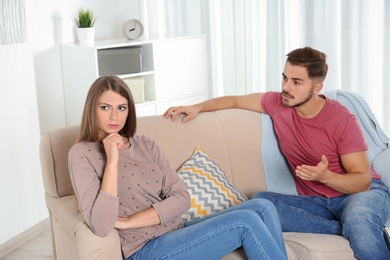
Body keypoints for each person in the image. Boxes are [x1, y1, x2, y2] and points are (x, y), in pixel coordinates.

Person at [163, 47, 390, 260]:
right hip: (317, 204)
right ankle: (356, 230)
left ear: (317, 87)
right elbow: (234, 100)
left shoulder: (341, 119)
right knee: (262, 203)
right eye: (285, 78)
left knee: (359, 220)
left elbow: (363, 181)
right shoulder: (277, 103)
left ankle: (359, 227)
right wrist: (198, 107)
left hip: (361, 195)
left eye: (296, 82)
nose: (286, 87)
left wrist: (325, 176)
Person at [68, 75, 287, 260]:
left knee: (263, 206)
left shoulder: (145, 143)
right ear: (92, 109)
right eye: (105, 107)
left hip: (178, 229)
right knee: (245, 221)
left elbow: (182, 197)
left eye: (121, 108)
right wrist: (112, 160)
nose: (114, 116)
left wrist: (128, 222)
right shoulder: (82, 154)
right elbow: (101, 224)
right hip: (146, 248)